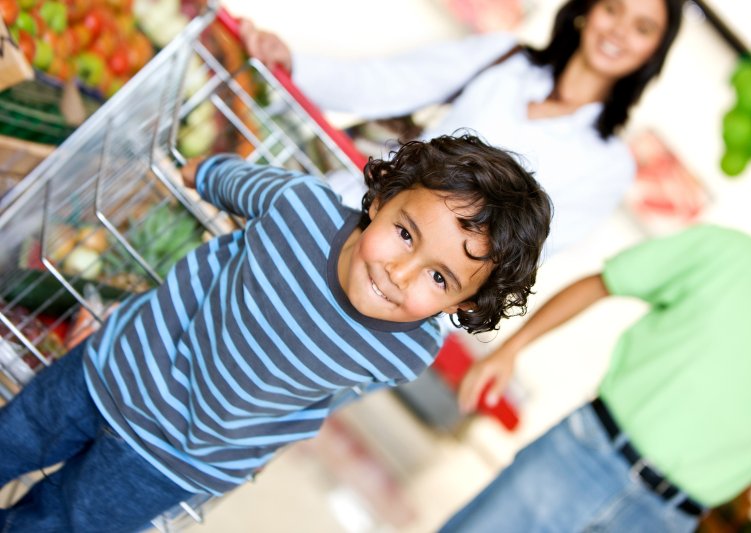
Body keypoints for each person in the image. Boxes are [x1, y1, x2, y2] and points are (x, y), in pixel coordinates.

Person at [0, 133, 552, 531]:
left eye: (439, 277)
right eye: (405, 234)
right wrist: (199, 172)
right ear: (381, 199)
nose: (399, 273)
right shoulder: (299, 208)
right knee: (12, 437)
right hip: (114, 371)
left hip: (176, 462)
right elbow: (235, 182)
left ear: (464, 303)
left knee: (60, 526)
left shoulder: (409, 349)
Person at [239, 0, 683, 256]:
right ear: (588, 9)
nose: (619, 31)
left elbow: (527, 251)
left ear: (652, 54)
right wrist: (292, 62)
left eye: (642, 28)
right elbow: (389, 82)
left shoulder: (608, 164)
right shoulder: (505, 59)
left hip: (414, 291)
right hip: (343, 214)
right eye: (613, 8)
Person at [443, 224, 751, 532]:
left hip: (665, 520)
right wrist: (510, 349)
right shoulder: (731, 255)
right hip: (583, 456)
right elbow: (604, 283)